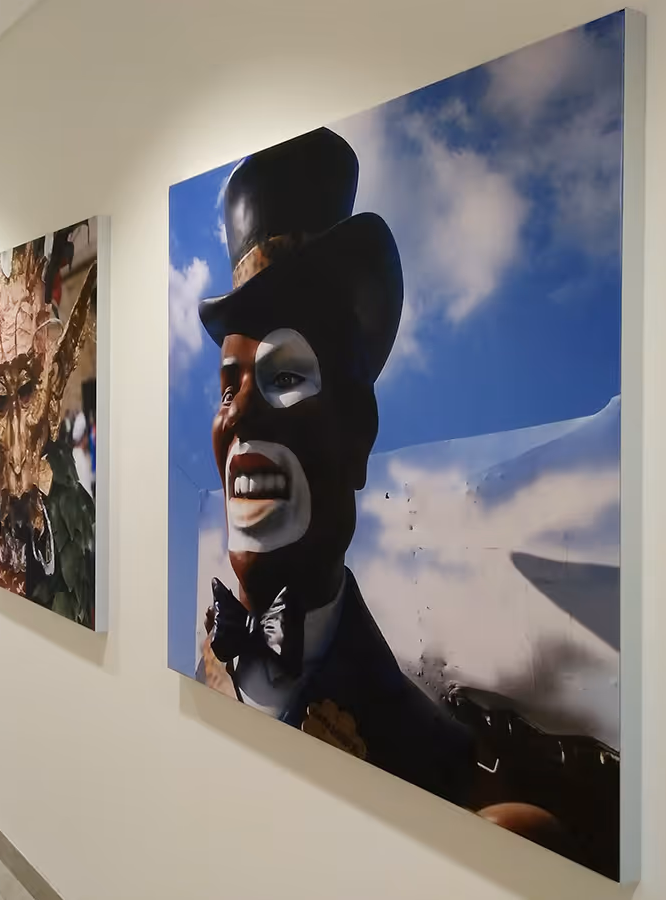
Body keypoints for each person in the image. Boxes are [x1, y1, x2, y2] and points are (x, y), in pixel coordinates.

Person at [194, 127, 476, 805]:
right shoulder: (206, 655)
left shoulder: (430, 757)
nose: (239, 418)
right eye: (227, 388)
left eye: (284, 377)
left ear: (358, 436)